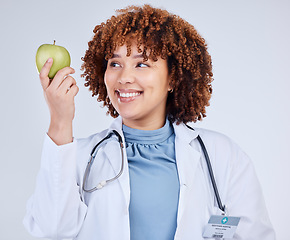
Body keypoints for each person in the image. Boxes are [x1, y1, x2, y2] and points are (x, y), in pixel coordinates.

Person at [23, 4, 275, 240]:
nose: (124, 77)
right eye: (115, 63)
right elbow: (51, 229)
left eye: (141, 63)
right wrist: (60, 119)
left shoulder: (222, 155)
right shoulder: (79, 156)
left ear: (172, 79)